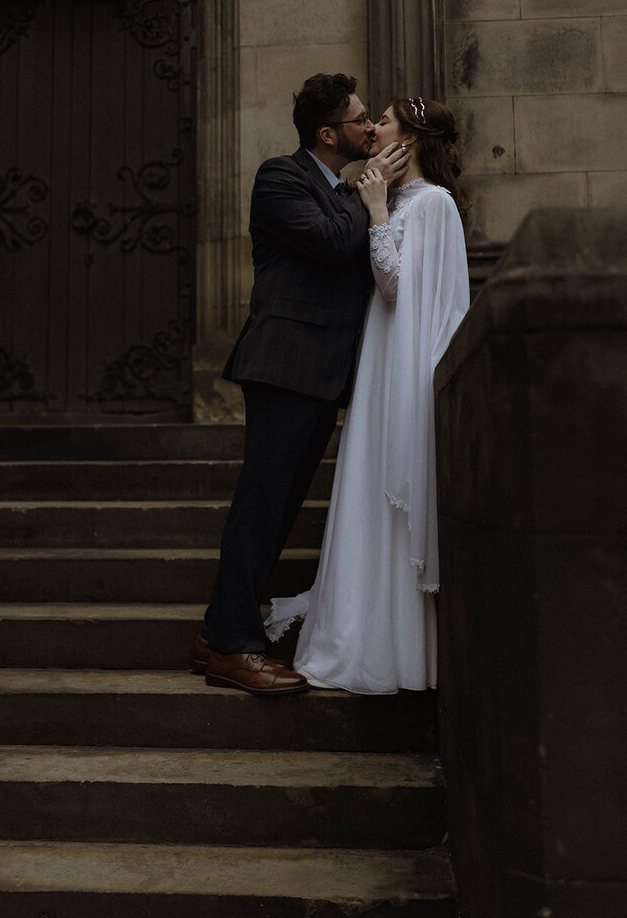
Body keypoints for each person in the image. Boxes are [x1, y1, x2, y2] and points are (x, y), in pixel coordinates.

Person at [191, 73, 409, 695]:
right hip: (284, 364)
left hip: (325, 374)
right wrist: (366, 191)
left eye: (372, 118)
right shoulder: (280, 178)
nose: (371, 129)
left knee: (279, 509)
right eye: (361, 120)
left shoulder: (351, 184)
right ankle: (234, 647)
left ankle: (216, 632)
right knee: (260, 507)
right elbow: (335, 242)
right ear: (327, 133)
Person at [266, 97, 470, 694]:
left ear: (409, 141)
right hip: (375, 360)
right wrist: (378, 202)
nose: (372, 129)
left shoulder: (431, 202)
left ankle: (386, 646)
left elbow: (394, 286)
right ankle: (356, 624)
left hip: (399, 368)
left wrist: (376, 207)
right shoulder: (399, 198)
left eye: (383, 122)